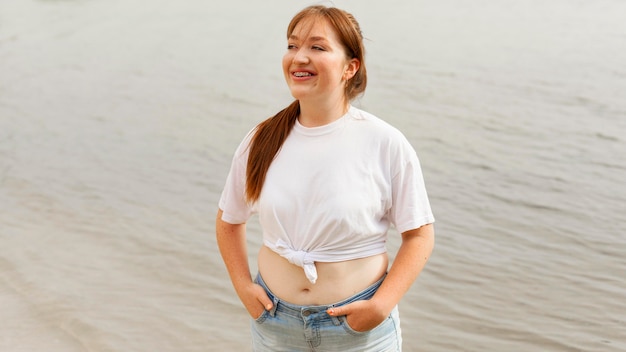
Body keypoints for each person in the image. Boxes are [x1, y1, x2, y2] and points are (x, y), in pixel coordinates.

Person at [216, 5, 435, 351]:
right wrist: (243, 286)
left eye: (317, 48)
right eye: (292, 46)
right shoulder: (261, 139)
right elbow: (229, 220)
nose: (299, 57)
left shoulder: (385, 142)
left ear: (351, 67)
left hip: (358, 332)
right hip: (275, 325)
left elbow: (420, 234)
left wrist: (380, 306)